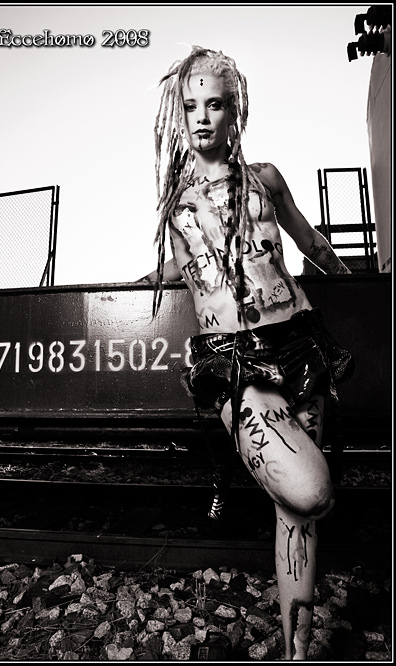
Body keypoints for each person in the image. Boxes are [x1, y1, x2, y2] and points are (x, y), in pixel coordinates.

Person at [141, 47, 353, 660]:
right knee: (309, 490)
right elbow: (177, 271)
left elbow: (309, 241)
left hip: (301, 343)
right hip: (235, 360)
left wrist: (359, 282)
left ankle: (296, 652)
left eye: (215, 105)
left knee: (296, 516)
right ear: (178, 117)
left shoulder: (266, 178)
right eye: (191, 107)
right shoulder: (177, 206)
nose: (202, 118)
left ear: (235, 112)